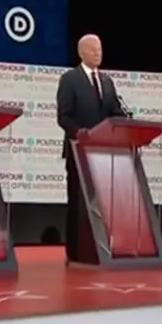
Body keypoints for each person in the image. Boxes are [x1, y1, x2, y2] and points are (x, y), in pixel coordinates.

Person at [55, 34, 125, 263]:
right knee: (78, 201)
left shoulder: (107, 81)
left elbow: (115, 112)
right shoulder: (70, 79)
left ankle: (100, 247)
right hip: (78, 151)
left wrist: (125, 124)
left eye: (100, 49)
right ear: (81, 52)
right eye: (93, 49)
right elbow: (63, 116)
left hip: (103, 152)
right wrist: (79, 133)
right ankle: (74, 251)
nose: (98, 53)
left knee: (101, 202)